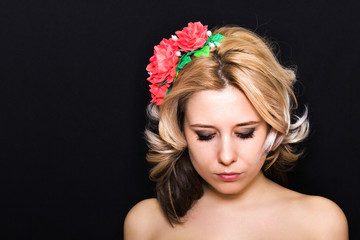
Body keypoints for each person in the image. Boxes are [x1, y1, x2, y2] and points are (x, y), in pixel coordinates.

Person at [124, 22, 348, 239]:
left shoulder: (320, 223)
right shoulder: (146, 223)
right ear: (179, 129)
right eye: (205, 135)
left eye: (245, 133)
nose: (226, 156)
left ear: (273, 124)